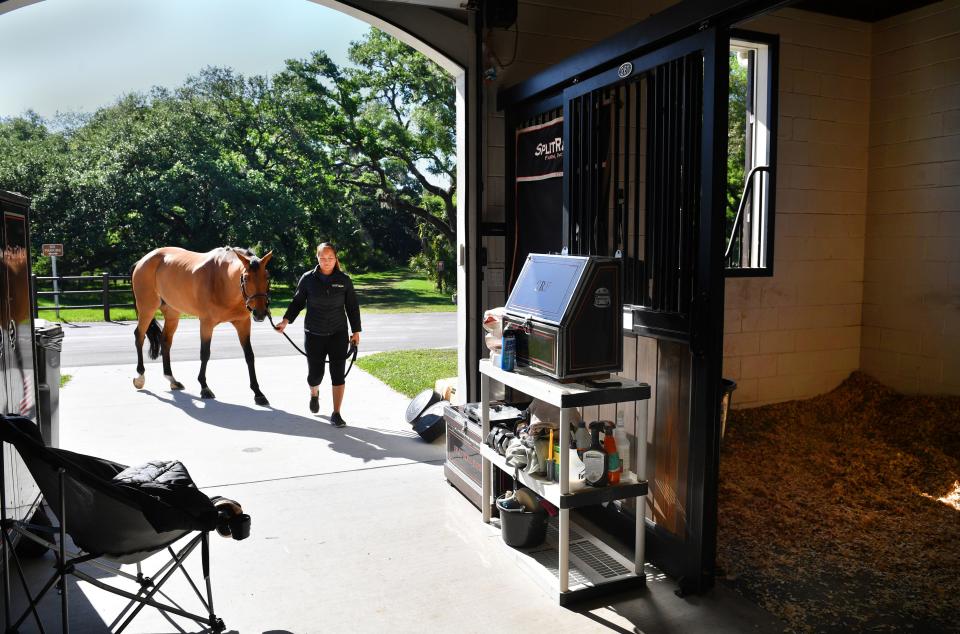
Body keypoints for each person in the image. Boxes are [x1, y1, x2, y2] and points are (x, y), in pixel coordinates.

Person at [274, 243, 361, 427]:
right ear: (317, 258)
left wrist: (356, 332)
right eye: (323, 258)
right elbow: (297, 302)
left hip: (338, 333)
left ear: (336, 259)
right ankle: (314, 393)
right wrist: (285, 321)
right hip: (314, 334)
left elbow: (352, 307)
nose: (327, 262)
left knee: (338, 375)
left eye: (330, 258)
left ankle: (336, 413)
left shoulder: (344, 279)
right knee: (315, 375)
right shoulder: (308, 279)